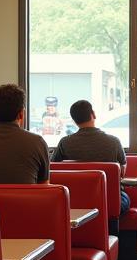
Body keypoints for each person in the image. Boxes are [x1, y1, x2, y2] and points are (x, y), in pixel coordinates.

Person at [52, 99, 129, 235]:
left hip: (74, 201)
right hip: (109, 199)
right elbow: (122, 173)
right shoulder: (113, 142)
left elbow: (53, 169)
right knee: (123, 200)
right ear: (93, 114)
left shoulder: (65, 143)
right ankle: (109, 238)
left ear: (74, 120)